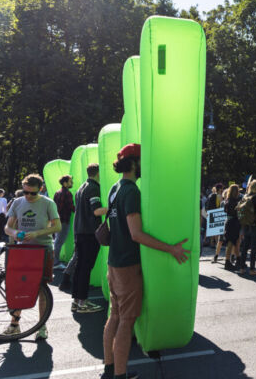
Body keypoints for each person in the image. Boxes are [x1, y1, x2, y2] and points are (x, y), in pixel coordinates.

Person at [102, 144, 190, 379]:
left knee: (115, 316)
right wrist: (170, 249)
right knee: (126, 321)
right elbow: (136, 234)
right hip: (128, 265)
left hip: (113, 262)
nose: (145, 166)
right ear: (134, 162)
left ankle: (109, 369)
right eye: (143, 161)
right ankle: (120, 375)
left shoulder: (115, 187)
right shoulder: (131, 191)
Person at [3, 174, 61, 340]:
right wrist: (16, 233)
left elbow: (57, 226)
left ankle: (41, 326)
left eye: (32, 193)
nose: (28, 196)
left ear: (40, 189)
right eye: (25, 192)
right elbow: (7, 227)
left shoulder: (48, 203)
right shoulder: (17, 202)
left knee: (42, 289)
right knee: (20, 286)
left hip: (43, 250)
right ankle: (14, 324)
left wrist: (37, 233)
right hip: (23, 249)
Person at [71, 164, 107, 314]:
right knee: (85, 268)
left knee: (80, 267)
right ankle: (83, 303)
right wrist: (114, 205)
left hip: (80, 232)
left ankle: (76, 301)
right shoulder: (93, 188)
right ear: (98, 174)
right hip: (89, 233)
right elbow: (97, 211)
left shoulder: (81, 187)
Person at [238, 179, 256, 275]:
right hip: (255, 225)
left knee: (245, 247)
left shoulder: (246, 196)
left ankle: (241, 268)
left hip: (246, 225)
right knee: (254, 248)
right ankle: (252, 269)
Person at [53, 175, 75, 269]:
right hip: (64, 221)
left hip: (57, 220)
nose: (72, 183)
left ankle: (54, 261)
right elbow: (71, 207)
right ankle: (55, 263)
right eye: (70, 181)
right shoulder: (67, 193)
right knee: (58, 242)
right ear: (65, 183)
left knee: (57, 241)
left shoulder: (57, 192)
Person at [222, 185, 241, 270]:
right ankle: (227, 262)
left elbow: (225, 211)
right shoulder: (235, 201)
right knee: (232, 242)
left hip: (229, 222)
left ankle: (238, 259)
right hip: (234, 222)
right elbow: (237, 213)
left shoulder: (227, 200)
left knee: (234, 241)